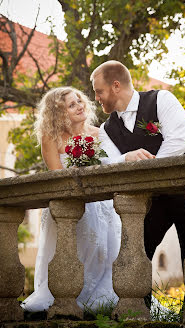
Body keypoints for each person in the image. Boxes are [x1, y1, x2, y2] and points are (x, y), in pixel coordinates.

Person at [91, 60, 185, 307]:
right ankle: (136, 309)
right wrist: (125, 158)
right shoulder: (107, 128)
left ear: (116, 86)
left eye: (99, 91)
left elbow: (179, 141)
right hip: (148, 202)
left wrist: (150, 169)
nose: (97, 98)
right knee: (136, 251)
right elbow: (107, 162)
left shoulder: (162, 100)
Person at [20, 86, 122, 312]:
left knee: (101, 253)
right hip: (68, 205)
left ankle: (97, 303)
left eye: (80, 101)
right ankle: (64, 298)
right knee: (70, 252)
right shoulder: (51, 138)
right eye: (72, 104)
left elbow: (115, 164)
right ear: (59, 113)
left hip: (100, 205)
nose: (80, 106)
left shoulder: (99, 133)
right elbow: (58, 176)